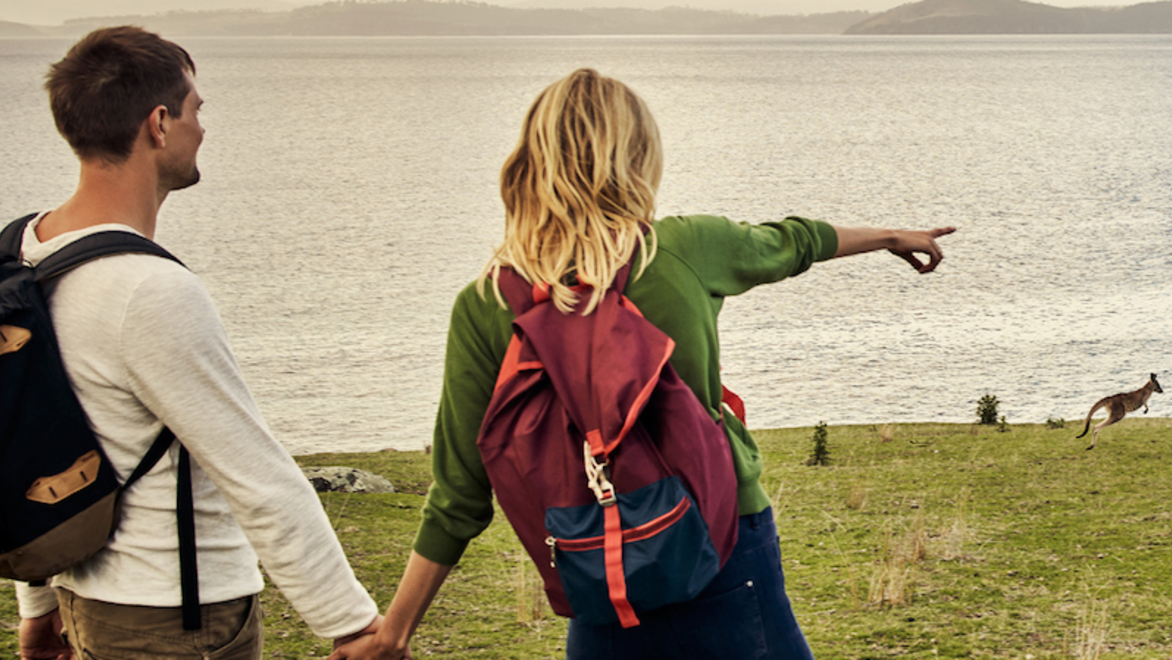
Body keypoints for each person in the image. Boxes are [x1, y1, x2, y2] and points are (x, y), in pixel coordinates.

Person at [329, 68, 955, 660]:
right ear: (638, 159)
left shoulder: (489, 303)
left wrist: (396, 631)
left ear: (529, 163)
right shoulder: (685, 248)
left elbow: (459, 494)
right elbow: (794, 242)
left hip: (593, 557)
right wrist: (891, 236)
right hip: (723, 535)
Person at [14, 26, 382, 660]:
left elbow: (24, 439)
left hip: (88, 603)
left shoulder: (21, 253)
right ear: (158, 123)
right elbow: (258, 477)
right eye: (196, 108)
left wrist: (39, 604)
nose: (202, 127)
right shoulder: (148, 291)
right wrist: (350, 625)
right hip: (179, 622)